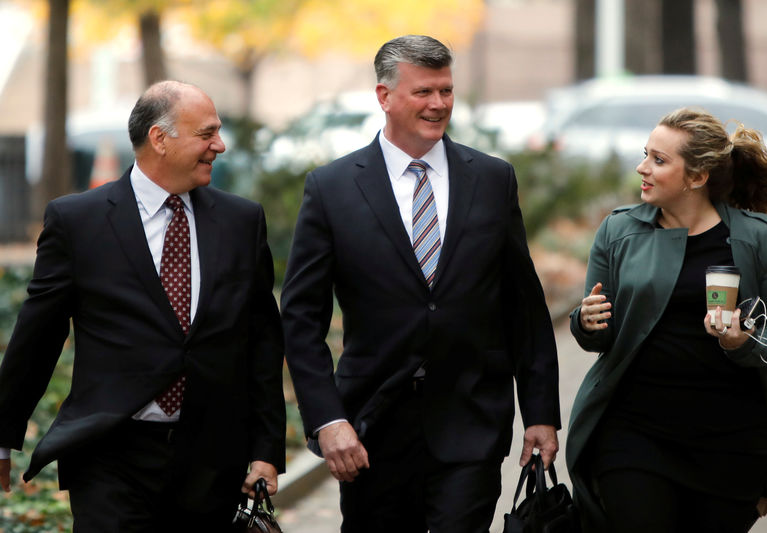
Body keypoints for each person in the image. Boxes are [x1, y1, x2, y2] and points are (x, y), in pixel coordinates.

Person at [280, 34, 561, 532]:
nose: (438, 105)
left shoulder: (493, 179)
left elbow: (524, 306)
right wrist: (326, 420)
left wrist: (540, 412)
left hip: (471, 421)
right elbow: (302, 320)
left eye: (446, 91)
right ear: (384, 97)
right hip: (370, 430)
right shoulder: (332, 188)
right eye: (423, 92)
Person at [0, 81, 286, 531]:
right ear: (159, 138)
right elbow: (37, 335)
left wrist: (266, 451)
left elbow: (263, 343)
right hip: (110, 457)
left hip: (212, 461)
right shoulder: (78, 221)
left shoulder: (241, 221)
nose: (220, 145)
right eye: (206, 133)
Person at [567, 107, 767, 532]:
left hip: (729, 439)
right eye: (646, 154)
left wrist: (744, 342)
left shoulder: (758, 237)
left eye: (659, 160)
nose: (642, 168)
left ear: (697, 177)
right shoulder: (618, 232)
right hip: (633, 431)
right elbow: (599, 339)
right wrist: (586, 322)